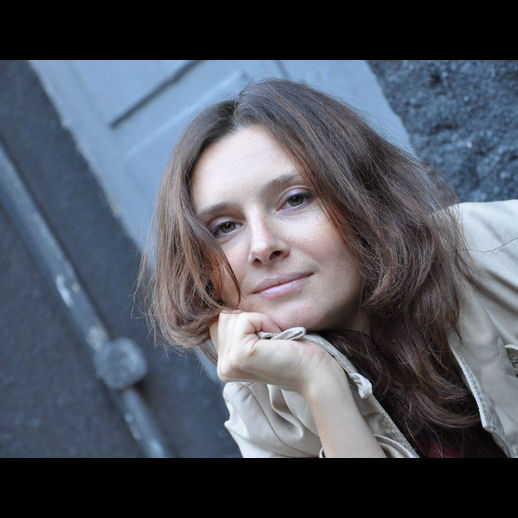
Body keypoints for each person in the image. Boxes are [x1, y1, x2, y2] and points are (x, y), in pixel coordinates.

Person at [137, 78, 518, 458]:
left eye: (295, 200)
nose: (263, 246)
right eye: (224, 227)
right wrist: (318, 383)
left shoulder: (496, 245)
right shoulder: (260, 415)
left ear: (366, 196)